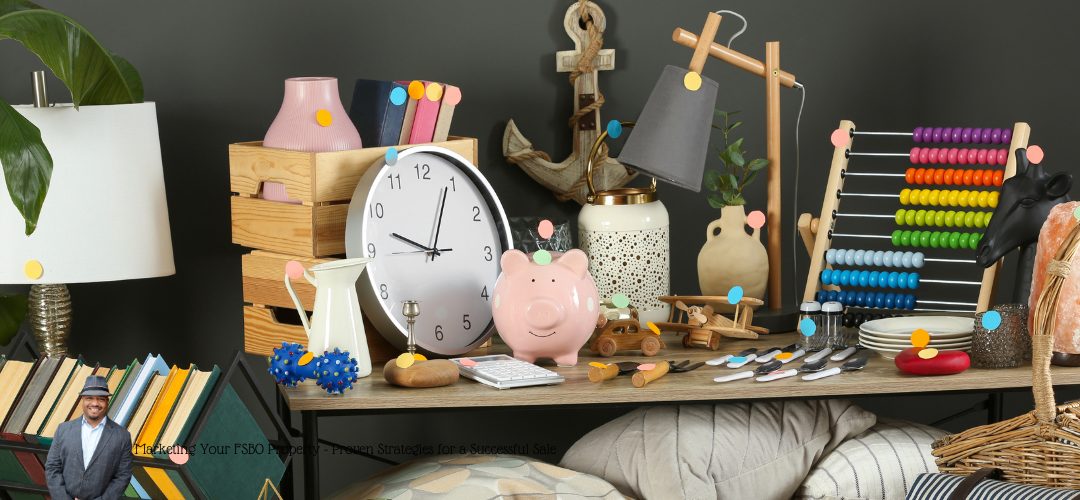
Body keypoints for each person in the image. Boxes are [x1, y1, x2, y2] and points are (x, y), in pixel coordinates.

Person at [45, 374, 133, 500]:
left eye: (101, 399)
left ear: (107, 401)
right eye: (89, 398)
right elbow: (52, 468)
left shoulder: (122, 436)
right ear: (82, 400)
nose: (95, 403)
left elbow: (123, 476)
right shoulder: (63, 430)